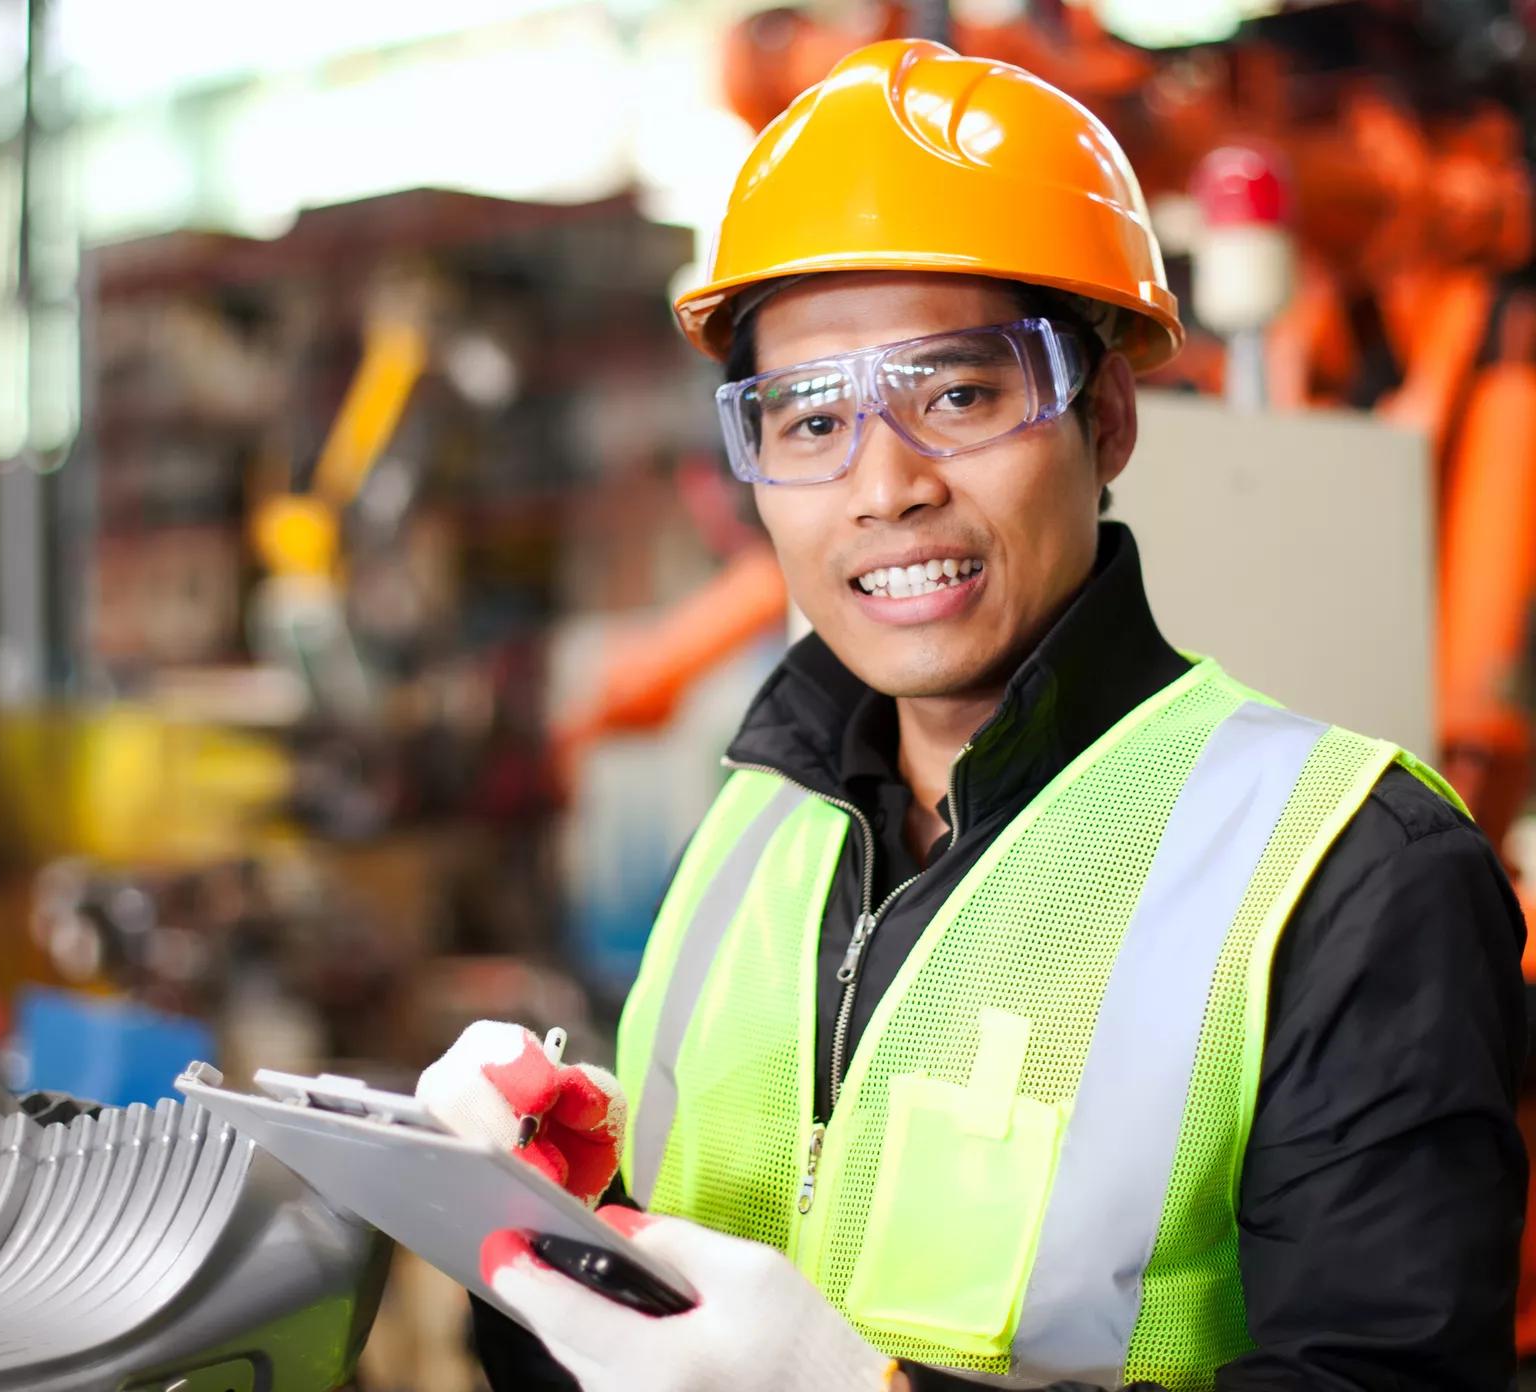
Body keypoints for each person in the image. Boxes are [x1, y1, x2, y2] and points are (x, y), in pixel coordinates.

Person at [414, 37, 1528, 1392]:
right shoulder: (757, 826)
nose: (886, 486)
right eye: (808, 421)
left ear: (1105, 420)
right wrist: (532, 1231)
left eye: (955, 394)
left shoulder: (1352, 871)